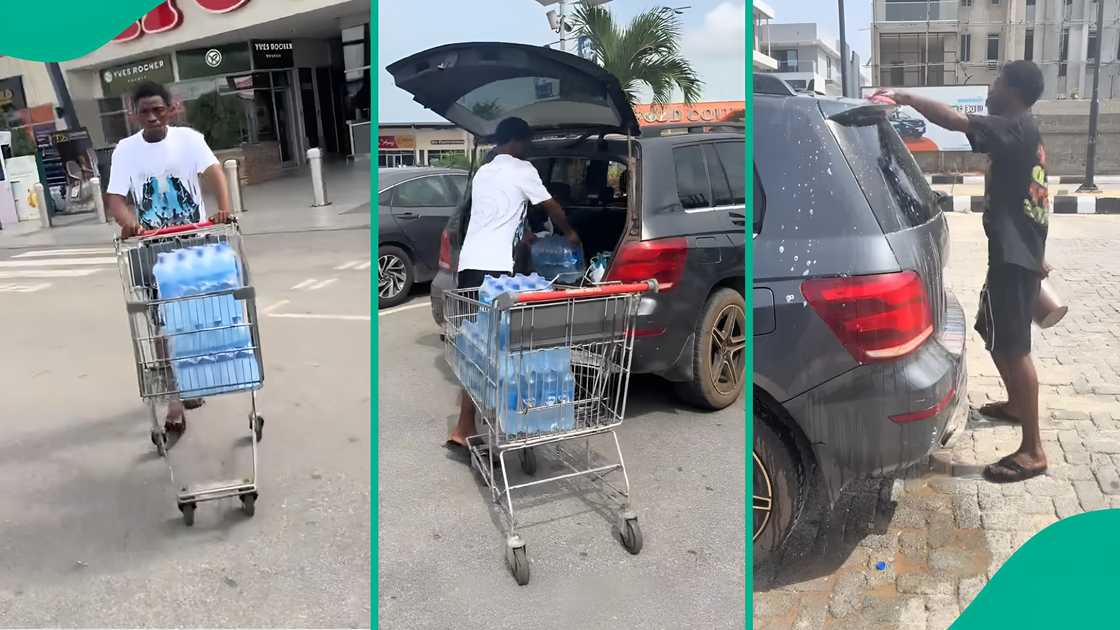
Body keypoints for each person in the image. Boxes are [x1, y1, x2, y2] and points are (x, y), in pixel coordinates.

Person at [875, 60, 1050, 483]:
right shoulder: (1019, 129)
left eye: (997, 81)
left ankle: (1033, 449)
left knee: (1013, 348)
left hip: (1014, 257)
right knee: (994, 334)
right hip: (1017, 251)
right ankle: (1014, 405)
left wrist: (907, 97)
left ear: (1013, 89)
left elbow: (954, 121)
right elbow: (1036, 192)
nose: (990, 88)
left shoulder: (1013, 126)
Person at [106, 80, 234, 435]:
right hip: (154, 247)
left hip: (193, 242)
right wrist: (130, 222)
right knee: (161, 328)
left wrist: (224, 209)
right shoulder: (125, 150)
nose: (152, 117)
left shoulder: (189, 139)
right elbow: (115, 198)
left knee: (193, 320)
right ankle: (175, 399)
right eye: (144, 111)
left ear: (171, 109)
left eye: (157, 110)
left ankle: (193, 380)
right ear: (134, 115)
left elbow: (214, 173)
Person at [446, 116, 579, 451]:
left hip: (469, 267)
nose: (528, 150)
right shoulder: (523, 170)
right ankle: (498, 430)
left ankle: (464, 426)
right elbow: (553, 208)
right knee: (501, 352)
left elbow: (496, 215)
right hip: (495, 273)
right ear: (517, 142)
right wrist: (571, 234)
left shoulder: (484, 171)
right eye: (527, 144)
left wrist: (522, 238)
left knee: (477, 349)